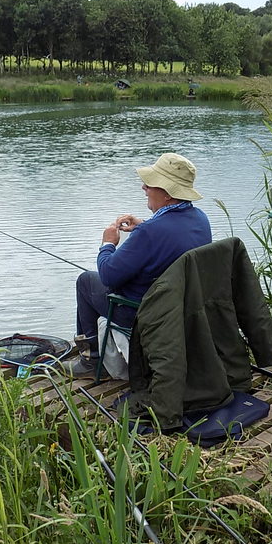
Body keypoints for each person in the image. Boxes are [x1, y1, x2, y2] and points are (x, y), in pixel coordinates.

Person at [64, 152, 212, 377]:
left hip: (141, 312)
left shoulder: (149, 233)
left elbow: (108, 276)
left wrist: (108, 244)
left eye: (150, 183)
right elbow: (170, 233)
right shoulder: (200, 219)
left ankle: (91, 360)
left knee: (87, 281)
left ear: (167, 193)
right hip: (178, 309)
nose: (144, 187)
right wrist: (144, 224)